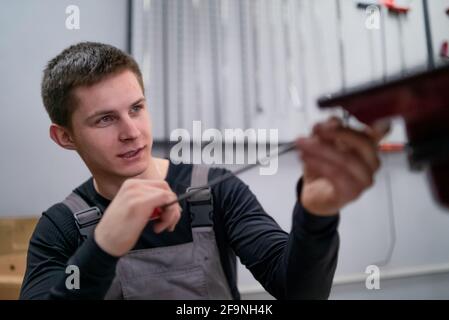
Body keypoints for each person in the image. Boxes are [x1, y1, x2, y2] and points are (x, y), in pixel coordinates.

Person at [20, 42, 388, 300]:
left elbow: (298, 291)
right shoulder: (61, 226)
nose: (131, 131)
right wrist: (102, 247)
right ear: (65, 136)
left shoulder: (213, 190)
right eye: (105, 119)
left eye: (136, 108)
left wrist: (316, 214)